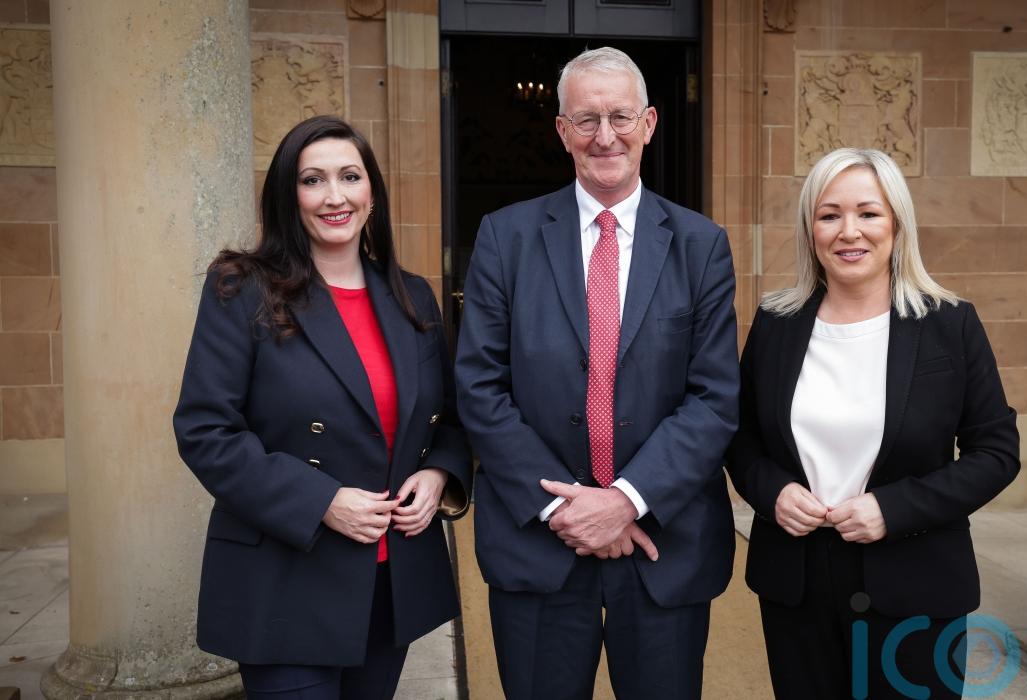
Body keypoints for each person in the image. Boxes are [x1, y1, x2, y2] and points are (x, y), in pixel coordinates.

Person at [455, 46, 740, 699]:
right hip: (540, 544)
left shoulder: (701, 246)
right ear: (562, 130)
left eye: (620, 117)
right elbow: (479, 387)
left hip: (661, 542)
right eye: (586, 119)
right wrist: (567, 508)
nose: (604, 136)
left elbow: (714, 397)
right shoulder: (504, 238)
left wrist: (625, 501)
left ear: (649, 123)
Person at [173, 115, 472, 700]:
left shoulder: (413, 296)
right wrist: (322, 501)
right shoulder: (242, 289)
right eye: (313, 180)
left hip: (389, 584)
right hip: (286, 581)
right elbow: (205, 430)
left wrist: (439, 474)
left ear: (372, 193)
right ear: (289, 196)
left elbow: (452, 418)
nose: (335, 196)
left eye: (350, 177)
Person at [725, 147, 1020, 699]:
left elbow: (996, 453)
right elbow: (741, 438)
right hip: (796, 583)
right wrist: (774, 492)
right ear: (810, 229)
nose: (849, 231)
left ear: (897, 223)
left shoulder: (950, 324)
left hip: (916, 581)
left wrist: (893, 508)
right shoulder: (776, 323)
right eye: (829, 214)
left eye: (868, 213)